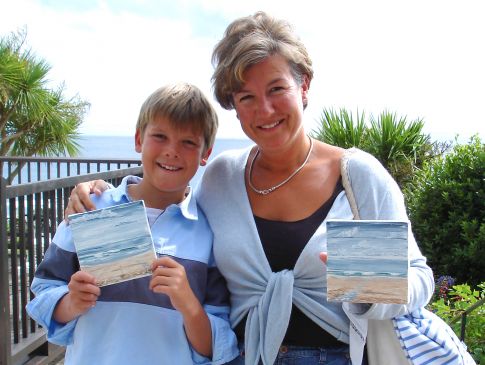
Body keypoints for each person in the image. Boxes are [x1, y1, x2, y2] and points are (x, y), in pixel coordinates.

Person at [65, 12, 434, 365]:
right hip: (238, 355)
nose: (265, 110)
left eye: (277, 89)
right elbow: (172, 214)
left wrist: (366, 279)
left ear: (303, 85)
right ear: (234, 108)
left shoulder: (355, 176)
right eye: (246, 98)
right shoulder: (223, 177)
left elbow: (419, 277)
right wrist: (102, 197)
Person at [27, 83, 238, 365]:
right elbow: (42, 294)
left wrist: (189, 305)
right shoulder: (90, 208)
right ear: (139, 139)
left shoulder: (209, 232)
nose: (172, 151)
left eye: (188, 142)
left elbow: (216, 347)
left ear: (205, 154)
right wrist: (70, 302)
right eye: (160, 136)